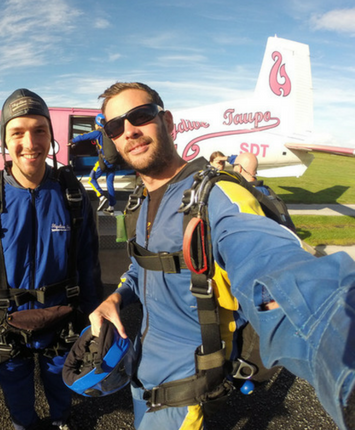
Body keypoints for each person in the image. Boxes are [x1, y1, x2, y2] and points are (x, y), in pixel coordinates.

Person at [88, 82, 355, 430]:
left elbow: (273, 268)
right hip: (143, 378)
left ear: (167, 122)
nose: (130, 131)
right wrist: (116, 297)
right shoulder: (142, 199)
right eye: (115, 126)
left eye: (141, 115)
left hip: (183, 396)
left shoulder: (216, 196)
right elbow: (143, 268)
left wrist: (342, 365)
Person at [0, 88, 102, 430]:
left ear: (51, 136)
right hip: (9, 324)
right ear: (5, 142)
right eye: (18, 132)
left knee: (62, 382)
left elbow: (89, 264)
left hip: (63, 319)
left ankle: (60, 419)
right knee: (16, 391)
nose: (30, 142)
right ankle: (24, 425)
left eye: (40, 130)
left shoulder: (72, 194)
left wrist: (96, 321)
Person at [70, 114, 122, 214]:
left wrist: (72, 141)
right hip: (113, 162)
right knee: (109, 183)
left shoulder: (98, 132)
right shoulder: (112, 132)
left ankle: (101, 196)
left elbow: (84, 136)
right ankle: (111, 206)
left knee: (91, 179)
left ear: (97, 124)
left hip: (104, 161)